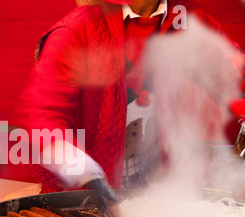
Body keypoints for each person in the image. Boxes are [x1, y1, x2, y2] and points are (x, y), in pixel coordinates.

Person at [18, 0, 243, 196]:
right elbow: (42, 115)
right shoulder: (78, 28)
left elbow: (228, 77)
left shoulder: (189, 18)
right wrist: (80, 169)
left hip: (162, 195)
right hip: (87, 202)